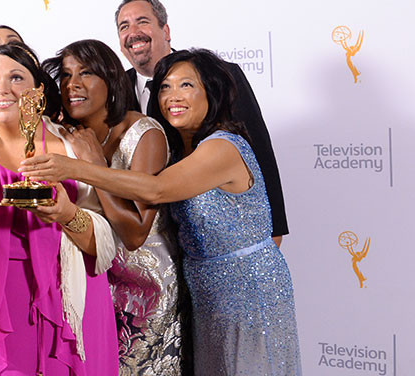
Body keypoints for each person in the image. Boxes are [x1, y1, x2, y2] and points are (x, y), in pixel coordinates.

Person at [22, 49, 302, 376]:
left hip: (250, 291)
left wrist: (79, 167)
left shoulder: (222, 147)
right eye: (165, 87)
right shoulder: (184, 145)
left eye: (187, 86)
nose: (173, 96)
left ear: (211, 93)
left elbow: (155, 190)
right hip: (204, 292)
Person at [0, 42, 119, 376]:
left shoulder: (72, 144)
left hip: (73, 302)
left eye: (15, 78)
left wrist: (66, 214)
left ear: (37, 90)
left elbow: (103, 246)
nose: (1, 89)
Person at [43, 39, 184, 376]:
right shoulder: (67, 134)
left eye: (86, 73)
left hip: (148, 291)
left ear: (111, 80)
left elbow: (135, 232)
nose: (72, 84)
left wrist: (94, 166)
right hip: (96, 282)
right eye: (65, 75)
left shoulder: (143, 134)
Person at [114, 0, 289, 243]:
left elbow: (259, 151)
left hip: (218, 237)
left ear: (166, 30)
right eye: (124, 26)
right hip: (151, 243)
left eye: (142, 22)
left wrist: (275, 229)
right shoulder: (114, 91)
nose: (133, 32)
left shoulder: (221, 76)